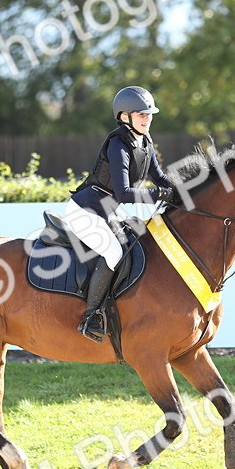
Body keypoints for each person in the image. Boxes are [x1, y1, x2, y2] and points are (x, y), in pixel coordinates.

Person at [65, 86, 177, 343]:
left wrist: (183, 190)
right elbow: (125, 193)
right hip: (85, 211)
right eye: (141, 114)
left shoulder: (145, 141)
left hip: (107, 211)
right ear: (124, 117)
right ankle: (90, 317)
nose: (147, 118)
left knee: (135, 241)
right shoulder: (118, 145)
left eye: (149, 114)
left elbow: (159, 178)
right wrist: (159, 194)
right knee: (114, 252)